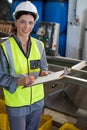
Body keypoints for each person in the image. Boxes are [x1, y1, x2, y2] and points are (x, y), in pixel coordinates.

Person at [0, 1, 48, 130]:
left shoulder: (39, 45)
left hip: (37, 102)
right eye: (22, 21)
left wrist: (44, 73)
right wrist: (19, 81)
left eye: (30, 22)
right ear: (15, 22)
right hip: (17, 104)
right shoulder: (5, 48)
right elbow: (1, 77)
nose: (27, 26)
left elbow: (44, 67)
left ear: (34, 23)